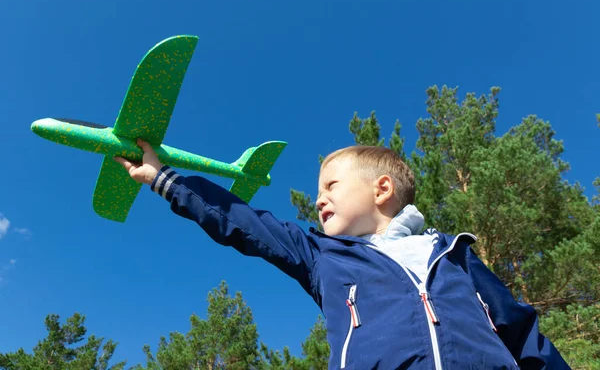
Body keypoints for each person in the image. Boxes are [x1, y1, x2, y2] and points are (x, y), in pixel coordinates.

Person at [115, 139, 570, 370]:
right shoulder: (320, 256)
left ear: (382, 189)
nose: (318, 200)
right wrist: (162, 178)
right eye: (318, 191)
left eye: (330, 186)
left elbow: (523, 334)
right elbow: (245, 224)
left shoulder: (452, 253)